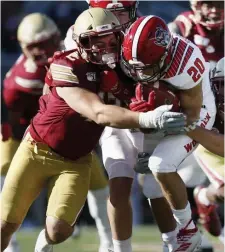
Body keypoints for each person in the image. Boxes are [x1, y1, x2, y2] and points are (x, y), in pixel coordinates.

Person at [0, 8, 186, 252]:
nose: (105, 47)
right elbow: (98, 112)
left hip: (77, 160)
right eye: (95, 41)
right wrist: (149, 120)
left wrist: (147, 146)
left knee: (59, 231)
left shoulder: (127, 69)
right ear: (79, 43)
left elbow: (137, 103)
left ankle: (45, 242)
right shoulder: (65, 63)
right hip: (36, 150)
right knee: (5, 225)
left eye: (111, 39)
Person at [122, 15, 217, 251]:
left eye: (148, 67)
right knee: (150, 185)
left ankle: (187, 230)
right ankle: (175, 241)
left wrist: (156, 126)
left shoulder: (184, 63)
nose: (141, 73)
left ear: (164, 56)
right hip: (163, 112)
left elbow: (191, 113)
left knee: (160, 164)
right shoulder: (135, 57)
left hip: (197, 111)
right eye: (136, 67)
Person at [1, 13, 61, 252]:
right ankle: (10, 242)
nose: (39, 50)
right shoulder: (23, 79)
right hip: (19, 132)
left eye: (43, 43)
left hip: (52, 133)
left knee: (96, 181)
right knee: (6, 176)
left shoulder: (67, 55)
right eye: (33, 46)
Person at [168, 0, 224, 69]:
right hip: (190, 77)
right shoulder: (186, 23)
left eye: (220, 5)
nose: (214, 10)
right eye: (208, 5)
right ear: (197, 6)